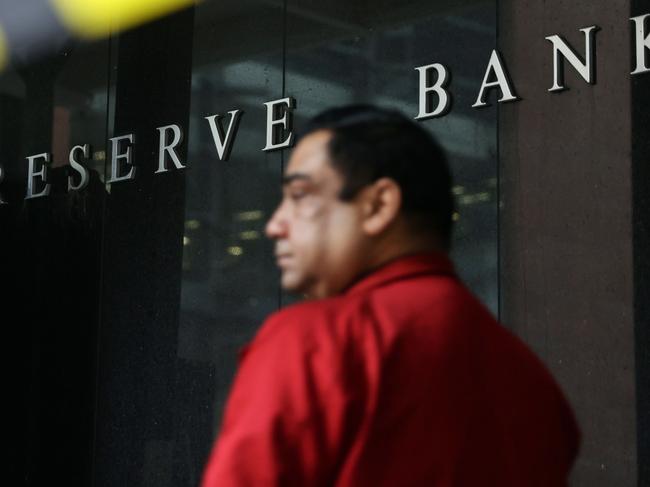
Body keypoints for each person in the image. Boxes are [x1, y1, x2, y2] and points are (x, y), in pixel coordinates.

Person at [201, 105, 580, 486]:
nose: (274, 225)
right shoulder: (532, 383)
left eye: (300, 195)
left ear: (379, 205)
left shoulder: (316, 342)